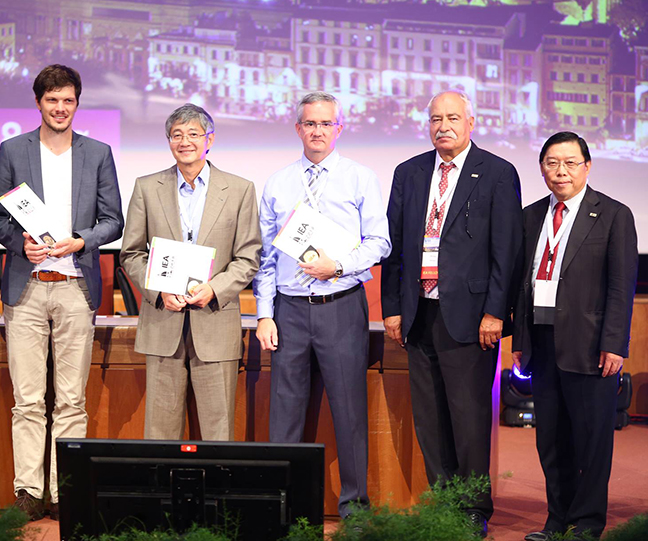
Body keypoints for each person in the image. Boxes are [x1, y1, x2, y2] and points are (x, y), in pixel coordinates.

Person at [380, 90, 523, 537]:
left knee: (469, 416)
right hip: (419, 312)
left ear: (471, 122)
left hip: (472, 315)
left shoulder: (498, 173)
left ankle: (474, 508)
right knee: (430, 416)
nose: (443, 126)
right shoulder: (410, 172)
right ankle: (443, 503)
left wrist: (496, 312)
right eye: (436, 118)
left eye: (453, 118)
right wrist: (391, 308)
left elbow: (508, 250)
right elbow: (394, 247)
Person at [0, 64, 123, 520]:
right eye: (51, 100)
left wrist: (82, 240)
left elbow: (113, 219)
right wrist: (17, 243)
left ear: (77, 104)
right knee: (27, 399)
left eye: (67, 100)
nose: (60, 108)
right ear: (39, 103)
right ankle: (28, 491)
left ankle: (63, 490)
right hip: (26, 289)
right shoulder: (12, 150)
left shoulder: (98, 153)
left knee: (71, 399)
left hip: (75, 287)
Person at [254, 91, 391, 518]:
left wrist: (339, 265)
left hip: (341, 305)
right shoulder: (278, 182)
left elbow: (380, 242)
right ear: (298, 129)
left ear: (339, 128)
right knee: (285, 414)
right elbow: (265, 256)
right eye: (309, 124)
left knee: (349, 410)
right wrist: (263, 312)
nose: (317, 131)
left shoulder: (359, 177)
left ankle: (355, 507)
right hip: (289, 311)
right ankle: (285, 505)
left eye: (325, 124)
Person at [512, 132, 638, 541]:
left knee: (591, 440)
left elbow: (622, 287)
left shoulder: (615, 215)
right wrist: (520, 341)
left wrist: (614, 344)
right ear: (543, 168)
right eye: (552, 162)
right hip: (542, 342)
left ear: (587, 166)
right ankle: (556, 519)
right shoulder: (530, 216)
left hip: (591, 345)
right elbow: (520, 284)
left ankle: (586, 523)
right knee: (550, 439)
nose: (560, 171)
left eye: (569, 162)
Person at [120, 104, 261, 441]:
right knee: (159, 431)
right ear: (169, 141)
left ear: (209, 139)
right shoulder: (146, 187)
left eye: (194, 134)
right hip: (162, 322)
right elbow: (131, 253)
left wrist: (215, 288)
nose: (185, 141)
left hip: (215, 319)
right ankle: (162, 495)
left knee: (219, 428)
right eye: (177, 135)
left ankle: (217, 495)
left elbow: (248, 257)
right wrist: (157, 291)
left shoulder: (239, 189)